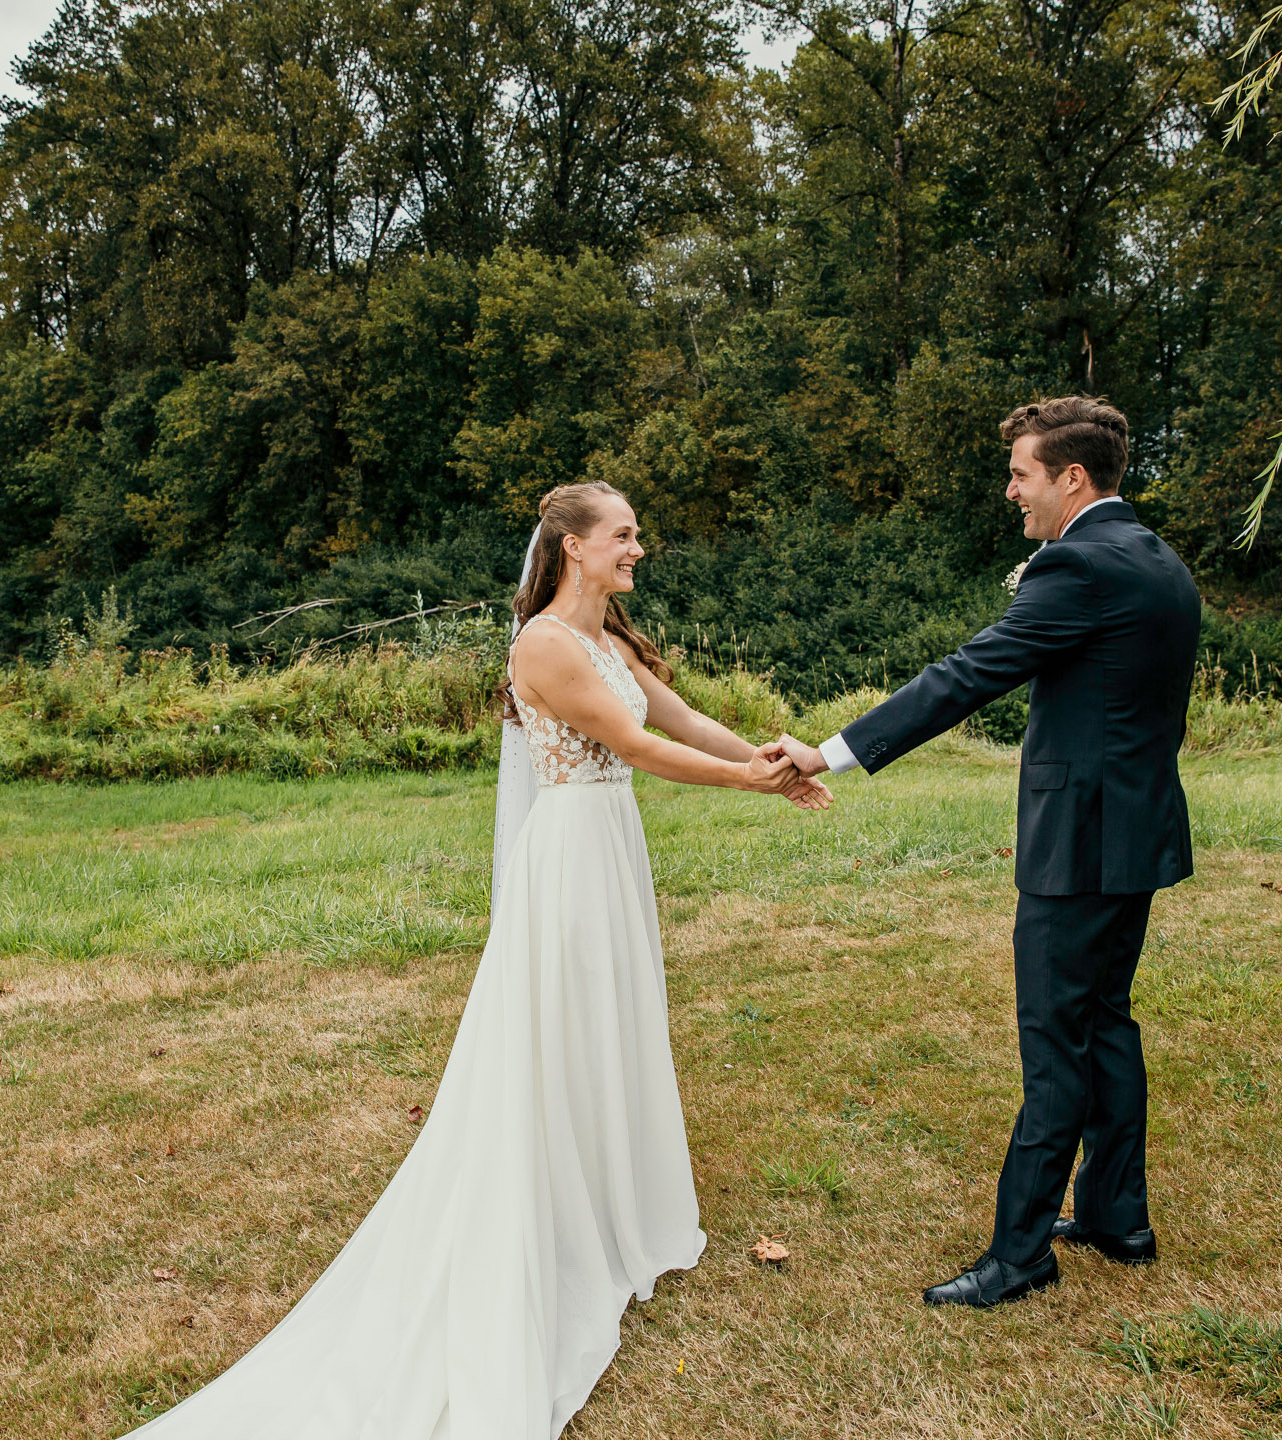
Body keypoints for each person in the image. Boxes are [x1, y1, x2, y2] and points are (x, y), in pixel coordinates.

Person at [123, 480, 829, 1439]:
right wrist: (750, 783)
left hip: (611, 848)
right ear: (574, 546)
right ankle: (552, 1211)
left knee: (610, 1021)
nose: (637, 549)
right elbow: (630, 743)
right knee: (562, 1028)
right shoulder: (542, 643)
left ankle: (611, 1197)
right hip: (572, 854)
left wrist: (772, 757)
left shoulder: (611, 640)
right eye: (624, 536)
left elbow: (683, 721)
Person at [777, 396, 1201, 1309]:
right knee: (1106, 1022)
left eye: (1021, 473)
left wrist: (831, 750)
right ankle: (1117, 1214)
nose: (1011, 490)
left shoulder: (1079, 565)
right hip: (1135, 828)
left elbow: (965, 676)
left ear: (1071, 477)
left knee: (1056, 1041)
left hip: (1080, 842)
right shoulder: (1154, 557)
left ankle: (1020, 1256)